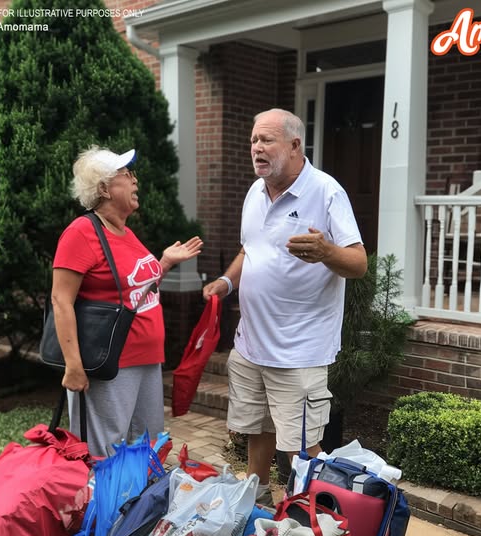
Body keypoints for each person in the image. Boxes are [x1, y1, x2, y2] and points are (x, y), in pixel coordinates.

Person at [203, 108, 367, 505]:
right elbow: (251, 249)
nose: (256, 148)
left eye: (266, 140)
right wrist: (227, 282)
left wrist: (327, 251)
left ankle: (313, 518)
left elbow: (359, 263)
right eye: (253, 141)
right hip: (251, 344)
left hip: (298, 351)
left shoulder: (326, 192)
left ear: (295, 145)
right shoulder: (255, 193)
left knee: (302, 446)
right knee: (258, 429)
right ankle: (256, 500)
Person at [51, 145, 203, 456]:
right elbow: (60, 300)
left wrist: (164, 262)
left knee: (146, 447)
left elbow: (135, 289)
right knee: (105, 453)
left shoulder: (125, 233)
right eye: (126, 174)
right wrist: (74, 365)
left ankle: (138, 491)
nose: (135, 180)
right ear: (104, 189)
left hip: (147, 357)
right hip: (110, 362)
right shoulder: (81, 232)